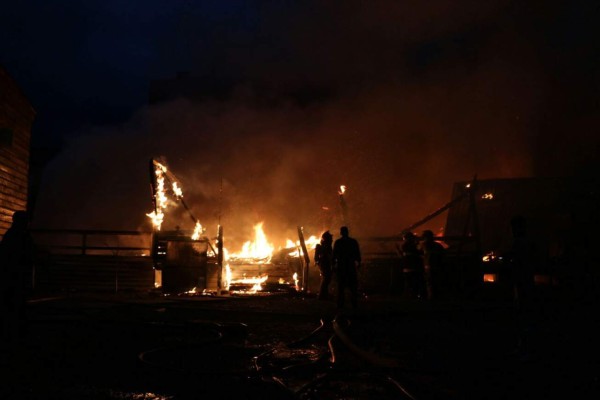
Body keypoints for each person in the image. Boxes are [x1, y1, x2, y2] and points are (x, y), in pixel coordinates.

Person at [0, 210, 34, 345]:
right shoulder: (20, 237)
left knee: (11, 304)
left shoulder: (12, 236)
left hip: (11, 275)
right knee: (15, 304)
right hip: (15, 276)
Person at [332, 226, 361, 311]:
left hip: (342, 266)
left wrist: (333, 264)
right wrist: (359, 262)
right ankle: (354, 303)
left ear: (341, 233)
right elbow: (357, 253)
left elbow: (334, 255)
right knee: (352, 286)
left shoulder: (338, 242)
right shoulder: (353, 242)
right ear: (347, 232)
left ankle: (340, 304)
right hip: (350, 266)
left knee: (341, 286)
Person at [419, 230, 445, 300]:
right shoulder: (438, 245)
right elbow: (443, 255)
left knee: (430, 283)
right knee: (436, 282)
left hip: (429, 267)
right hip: (437, 267)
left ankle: (431, 298)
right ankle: (437, 298)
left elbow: (419, 253)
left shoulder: (424, 245)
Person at [400, 231, 425, 299]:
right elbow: (419, 252)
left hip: (408, 268)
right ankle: (413, 296)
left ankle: (409, 296)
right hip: (414, 267)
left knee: (409, 283)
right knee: (414, 283)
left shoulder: (404, 245)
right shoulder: (410, 245)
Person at [314, 230, 334, 300]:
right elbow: (316, 257)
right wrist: (319, 262)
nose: (332, 240)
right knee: (326, 279)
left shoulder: (328, 246)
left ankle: (324, 295)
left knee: (326, 279)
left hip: (326, 264)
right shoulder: (322, 246)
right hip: (324, 264)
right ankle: (321, 295)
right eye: (330, 238)